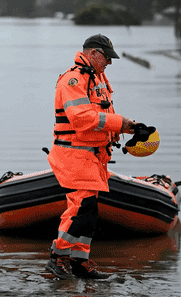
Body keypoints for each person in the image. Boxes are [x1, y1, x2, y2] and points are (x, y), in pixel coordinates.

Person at [46, 34, 140, 279]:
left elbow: (103, 115)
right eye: (107, 57)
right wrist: (121, 124)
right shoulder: (73, 79)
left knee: (88, 212)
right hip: (74, 154)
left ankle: (80, 262)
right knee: (81, 208)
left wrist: (129, 131)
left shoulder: (97, 78)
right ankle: (57, 257)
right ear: (93, 53)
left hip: (93, 157)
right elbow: (82, 118)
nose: (109, 62)